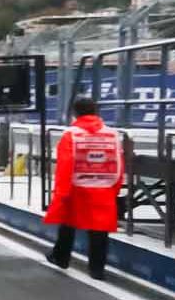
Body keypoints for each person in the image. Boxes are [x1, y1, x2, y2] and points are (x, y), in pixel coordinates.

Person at [44, 95, 122, 279]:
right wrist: (114, 189)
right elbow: (119, 164)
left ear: (75, 113)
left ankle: (61, 257)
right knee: (99, 230)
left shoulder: (71, 135)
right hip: (104, 187)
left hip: (77, 188)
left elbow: (65, 165)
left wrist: (61, 193)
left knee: (68, 224)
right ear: (95, 111)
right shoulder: (112, 134)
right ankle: (97, 269)